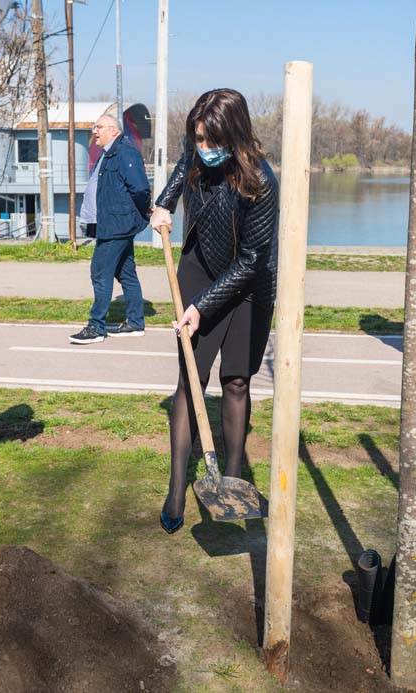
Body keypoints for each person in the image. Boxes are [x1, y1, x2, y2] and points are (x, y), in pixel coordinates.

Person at [148, 89, 279, 534]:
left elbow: (251, 261)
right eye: (198, 139)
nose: (204, 148)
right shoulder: (196, 152)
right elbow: (183, 167)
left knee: (237, 381)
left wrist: (202, 308)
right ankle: (177, 486)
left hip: (249, 285)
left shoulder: (261, 182)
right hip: (200, 270)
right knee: (189, 380)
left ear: (236, 135)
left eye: (211, 141)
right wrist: (163, 203)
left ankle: (233, 479)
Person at [69, 114, 150, 344]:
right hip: (113, 224)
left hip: (117, 225)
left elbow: (141, 189)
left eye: (99, 127)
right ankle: (135, 323)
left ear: (114, 130)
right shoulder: (109, 154)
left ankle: (96, 327)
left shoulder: (125, 153)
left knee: (100, 272)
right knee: (126, 272)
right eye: (94, 127)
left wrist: (140, 214)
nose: (95, 131)